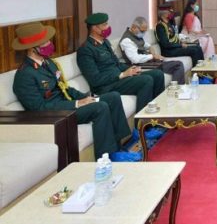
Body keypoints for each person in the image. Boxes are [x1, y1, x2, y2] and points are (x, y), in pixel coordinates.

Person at [12, 22, 140, 161]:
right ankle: (106, 157)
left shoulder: (49, 63)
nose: (49, 44)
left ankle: (119, 147)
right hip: (57, 115)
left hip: (69, 105)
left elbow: (65, 88)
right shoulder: (25, 75)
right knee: (100, 107)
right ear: (32, 49)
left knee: (112, 97)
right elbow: (39, 108)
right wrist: (76, 104)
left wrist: (85, 97)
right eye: (45, 42)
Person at [77, 13, 162, 113]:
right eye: (104, 24)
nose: (108, 27)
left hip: (118, 79)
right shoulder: (86, 49)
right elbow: (95, 80)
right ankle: (142, 120)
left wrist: (131, 69)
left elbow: (117, 64)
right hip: (106, 86)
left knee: (157, 74)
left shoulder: (105, 42)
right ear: (95, 28)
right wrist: (121, 75)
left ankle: (158, 113)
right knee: (146, 80)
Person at [120, 16, 186, 84]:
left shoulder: (135, 35)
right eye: (142, 31)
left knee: (177, 64)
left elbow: (147, 45)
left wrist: (152, 51)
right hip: (142, 66)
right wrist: (152, 56)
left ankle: (176, 87)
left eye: (145, 31)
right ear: (134, 27)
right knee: (178, 65)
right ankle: (176, 88)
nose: (143, 34)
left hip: (149, 62)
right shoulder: (126, 41)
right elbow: (135, 59)